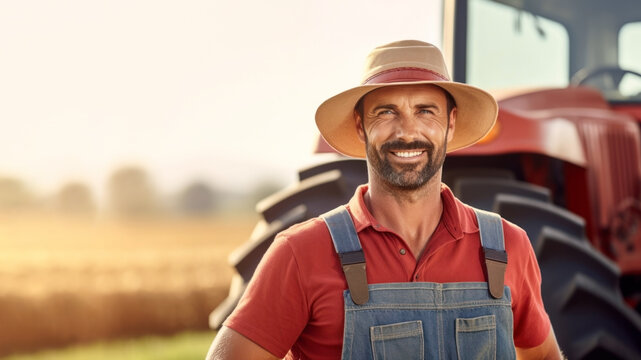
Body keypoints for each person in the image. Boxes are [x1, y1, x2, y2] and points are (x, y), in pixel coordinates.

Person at [207, 40, 563, 359]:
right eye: (386, 112)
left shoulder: (506, 247)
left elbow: (545, 356)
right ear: (361, 126)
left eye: (426, 111)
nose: (408, 132)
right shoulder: (301, 253)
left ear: (450, 124)